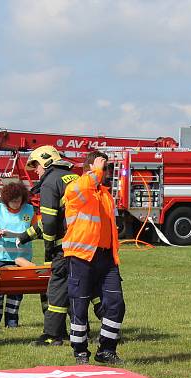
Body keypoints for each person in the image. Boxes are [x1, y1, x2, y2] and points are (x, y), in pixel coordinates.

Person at [62, 151, 125, 365]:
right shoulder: (76, 187)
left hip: (106, 258)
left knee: (116, 303)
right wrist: (95, 170)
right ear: (91, 168)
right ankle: (80, 352)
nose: (106, 172)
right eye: (104, 167)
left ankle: (106, 350)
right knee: (79, 307)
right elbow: (83, 188)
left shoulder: (104, 193)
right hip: (81, 256)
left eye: (105, 168)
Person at [18, 146, 80, 346]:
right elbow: (52, 219)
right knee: (84, 289)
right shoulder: (73, 178)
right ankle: (102, 331)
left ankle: (52, 335)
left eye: (36, 165)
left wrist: (49, 246)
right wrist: (25, 236)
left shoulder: (49, 183)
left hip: (65, 247)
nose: (35, 170)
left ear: (45, 162)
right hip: (85, 243)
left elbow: (51, 222)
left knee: (57, 288)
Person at [0, 181, 40, 330]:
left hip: (22, 258)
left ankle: (12, 322)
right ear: (6, 200)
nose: (16, 204)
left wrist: (27, 236)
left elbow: (36, 230)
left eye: (19, 200)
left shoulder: (29, 210)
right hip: (0, 258)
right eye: (13, 201)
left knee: (16, 292)